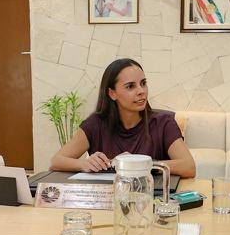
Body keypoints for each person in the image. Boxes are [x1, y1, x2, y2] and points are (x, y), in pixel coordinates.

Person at [49, 58, 196, 177]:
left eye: (143, 83)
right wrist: (83, 164)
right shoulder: (95, 124)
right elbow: (56, 161)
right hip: (109, 198)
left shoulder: (164, 123)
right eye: (130, 86)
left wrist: (139, 163)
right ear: (112, 93)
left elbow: (189, 167)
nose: (141, 91)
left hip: (151, 198)